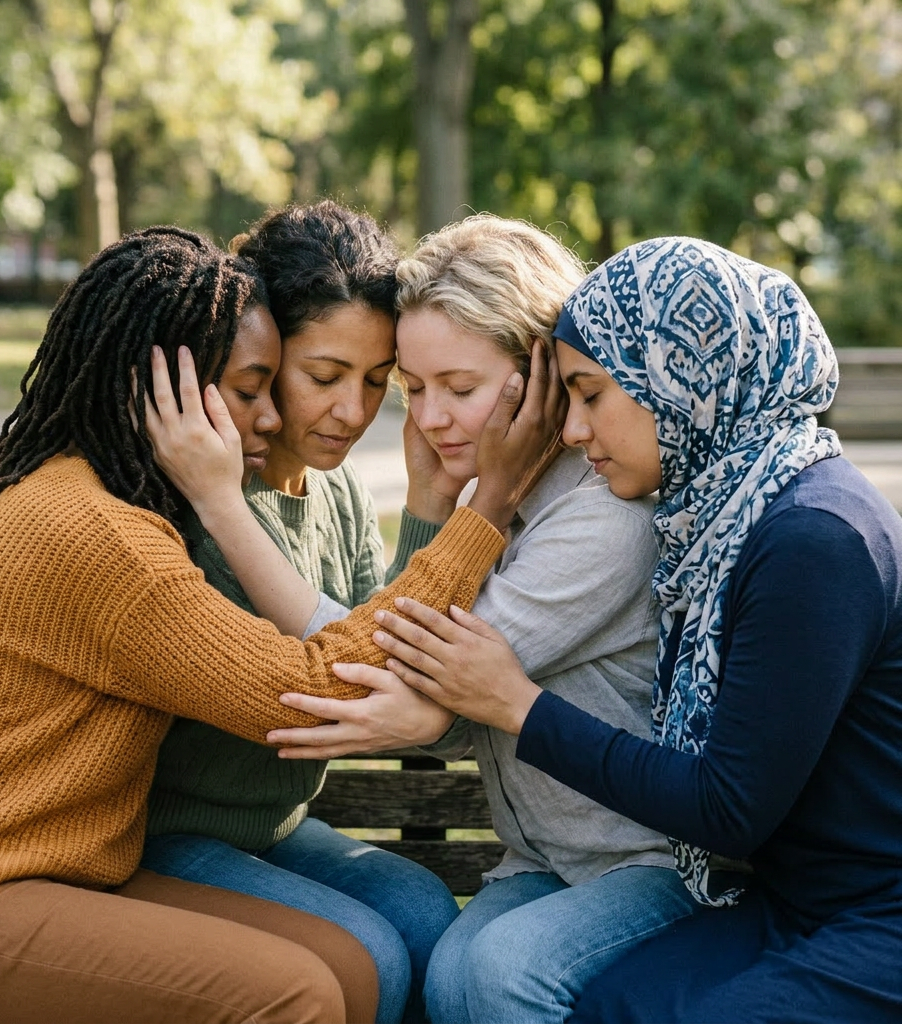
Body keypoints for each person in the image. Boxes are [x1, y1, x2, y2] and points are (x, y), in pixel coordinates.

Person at [0, 226, 557, 1024]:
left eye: (379, 381)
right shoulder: (101, 531)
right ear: (161, 390)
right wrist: (488, 509)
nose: (272, 418)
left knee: (371, 950)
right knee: (308, 988)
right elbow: (309, 686)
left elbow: (363, 640)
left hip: (61, 866)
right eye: (251, 389)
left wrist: (431, 508)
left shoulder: (117, 505)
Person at [365, 236, 902, 1023]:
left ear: (679, 382)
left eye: (591, 395)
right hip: (791, 900)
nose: (575, 431)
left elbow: (728, 810)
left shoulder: (813, 538)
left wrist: (517, 704)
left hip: (874, 913)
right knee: (598, 1003)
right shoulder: (722, 519)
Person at [213, 215, 716, 1023]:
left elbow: (403, 679)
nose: (430, 418)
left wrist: (451, 514)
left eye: (461, 388)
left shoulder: (602, 521)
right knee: (449, 974)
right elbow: (437, 711)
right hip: (541, 859)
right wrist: (435, 508)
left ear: (543, 377)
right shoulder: (496, 501)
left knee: (491, 975)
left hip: (649, 860)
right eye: (416, 389)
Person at [141, 202, 459, 1024]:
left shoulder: (340, 492)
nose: (354, 412)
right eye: (325, 376)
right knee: (372, 953)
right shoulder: (189, 501)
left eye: (376, 382)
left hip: (275, 826)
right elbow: (338, 680)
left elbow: (381, 647)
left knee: (424, 912)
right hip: (165, 837)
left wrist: (425, 501)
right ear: (264, 350)